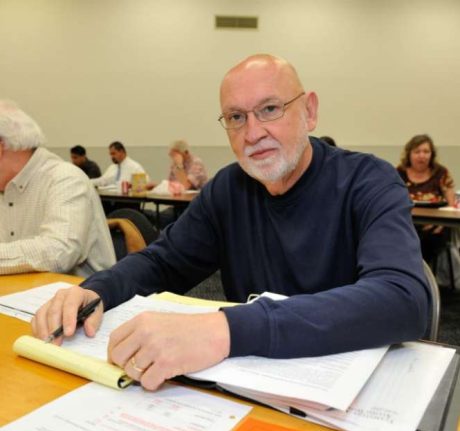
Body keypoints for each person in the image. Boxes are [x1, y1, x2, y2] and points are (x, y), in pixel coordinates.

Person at [33, 55, 429, 392]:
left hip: (348, 385)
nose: (253, 133)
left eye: (270, 109)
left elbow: (404, 300)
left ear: (309, 111)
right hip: (251, 383)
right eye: (236, 117)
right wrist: (96, 290)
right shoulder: (229, 189)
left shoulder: (368, 181)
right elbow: (162, 263)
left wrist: (226, 330)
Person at [0, 100, 116, 277]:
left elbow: (59, 252)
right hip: (22, 292)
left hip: (82, 297)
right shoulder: (5, 184)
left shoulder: (65, 179)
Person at [397, 134, 455, 263]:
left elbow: (451, 205)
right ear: (409, 154)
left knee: (427, 240)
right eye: (417, 151)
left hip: (435, 226)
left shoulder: (441, 173)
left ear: (432, 154)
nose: (422, 156)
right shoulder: (399, 172)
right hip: (406, 223)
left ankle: (424, 277)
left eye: (426, 151)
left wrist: (441, 222)